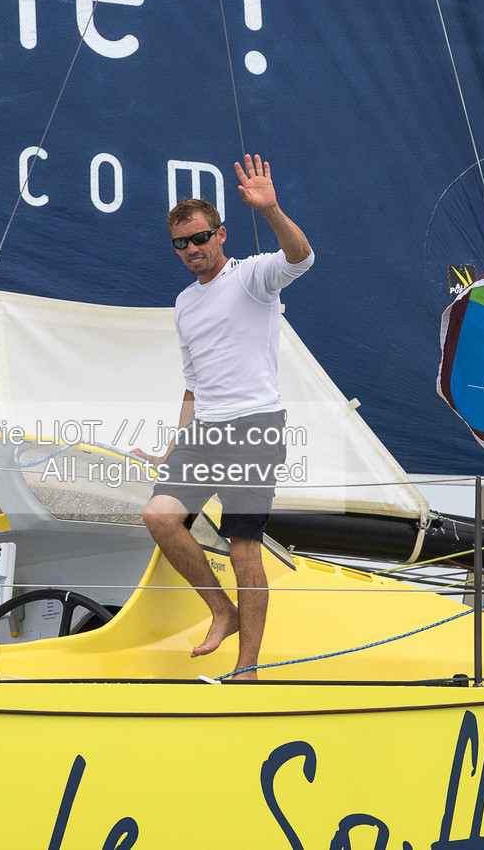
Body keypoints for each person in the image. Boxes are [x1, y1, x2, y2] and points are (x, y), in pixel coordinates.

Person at [139, 155, 313, 680]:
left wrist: (273, 209)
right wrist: (176, 441)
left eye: (200, 238)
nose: (192, 250)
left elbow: (301, 258)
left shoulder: (253, 275)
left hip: (253, 427)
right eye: (181, 243)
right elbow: (192, 381)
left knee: (243, 550)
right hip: (203, 432)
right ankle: (222, 611)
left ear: (221, 235)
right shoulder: (183, 303)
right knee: (159, 518)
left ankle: (247, 670)